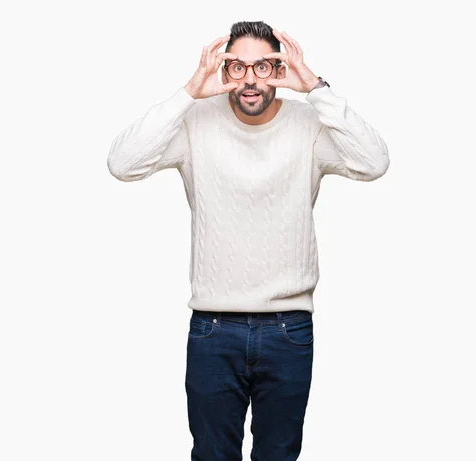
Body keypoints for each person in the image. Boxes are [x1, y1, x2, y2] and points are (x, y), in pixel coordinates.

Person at [107, 20, 389, 461]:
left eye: (263, 66)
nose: (251, 79)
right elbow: (122, 163)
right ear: (223, 71)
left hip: (288, 328)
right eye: (237, 67)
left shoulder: (308, 124)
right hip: (213, 328)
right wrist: (188, 92)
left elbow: (374, 162)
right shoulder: (195, 123)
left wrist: (315, 87)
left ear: (279, 67)